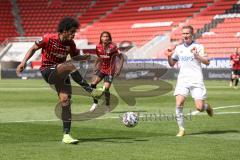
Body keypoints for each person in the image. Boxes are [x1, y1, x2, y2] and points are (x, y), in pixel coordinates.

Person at [16, 17, 103, 144]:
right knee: (68, 66)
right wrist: (23, 62)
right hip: (48, 71)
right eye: (72, 32)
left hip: (62, 72)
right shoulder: (48, 38)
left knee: (65, 101)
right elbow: (33, 48)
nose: (74, 34)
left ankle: (66, 135)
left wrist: (89, 58)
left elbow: (75, 59)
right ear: (64, 30)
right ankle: (90, 90)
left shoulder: (71, 44)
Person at [165, 25, 213, 137]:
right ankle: (181, 129)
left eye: (187, 33)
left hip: (196, 80)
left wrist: (197, 56)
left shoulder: (199, 47)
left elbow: (207, 62)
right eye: (184, 33)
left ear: (192, 34)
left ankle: (206, 107)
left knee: (199, 107)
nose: (185, 35)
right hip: (183, 80)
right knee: (179, 103)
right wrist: (168, 56)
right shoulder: (179, 48)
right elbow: (172, 64)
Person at [89, 31, 124, 112]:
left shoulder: (113, 47)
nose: (105, 38)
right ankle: (95, 103)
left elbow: (121, 57)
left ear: (109, 38)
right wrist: (95, 66)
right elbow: (99, 57)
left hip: (110, 71)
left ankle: (107, 104)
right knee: (92, 85)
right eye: (104, 36)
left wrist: (119, 69)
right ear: (101, 38)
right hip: (102, 69)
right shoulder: (98, 46)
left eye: (107, 36)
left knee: (106, 88)